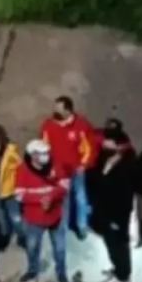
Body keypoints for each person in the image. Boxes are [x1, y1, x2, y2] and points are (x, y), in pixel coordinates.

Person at [15, 139, 70, 282]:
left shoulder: (55, 165)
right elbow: (19, 195)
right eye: (42, 154)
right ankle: (33, 270)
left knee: (59, 249)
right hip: (34, 219)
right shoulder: (22, 170)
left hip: (55, 216)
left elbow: (65, 185)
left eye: (47, 152)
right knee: (32, 247)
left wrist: (51, 197)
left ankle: (61, 274)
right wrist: (40, 200)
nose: (47, 156)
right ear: (33, 155)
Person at [87, 126, 138, 282]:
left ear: (118, 145)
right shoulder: (105, 157)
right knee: (110, 243)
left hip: (117, 214)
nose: (103, 142)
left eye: (107, 140)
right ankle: (116, 267)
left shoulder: (128, 165)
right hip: (104, 210)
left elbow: (123, 195)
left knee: (119, 245)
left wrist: (116, 219)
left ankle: (123, 275)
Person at [40, 96, 96, 239]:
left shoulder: (81, 125)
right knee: (62, 199)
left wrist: (84, 164)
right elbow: (45, 146)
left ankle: (81, 226)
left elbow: (89, 147)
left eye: (58, 108)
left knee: (80, 197)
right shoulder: (48, 125)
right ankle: (62, 226)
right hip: (58, 170)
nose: (54, 110)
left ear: (68, 110)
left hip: (76, 169)